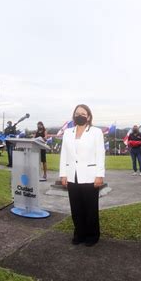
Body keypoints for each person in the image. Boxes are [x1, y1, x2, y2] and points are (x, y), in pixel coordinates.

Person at [59, 104, 105, 246]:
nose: (80, 115)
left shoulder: (96, 132)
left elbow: (100, 154)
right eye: (77, 113)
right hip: (72, 175)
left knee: (90, 208)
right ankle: (79, 233)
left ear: (88, 117)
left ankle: (92, 235)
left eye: (83, 113)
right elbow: (64, 154)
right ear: (74, 116)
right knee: (76, 207)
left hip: (90, 176)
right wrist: (63, 174)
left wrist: (99, 175)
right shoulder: (68, 132)